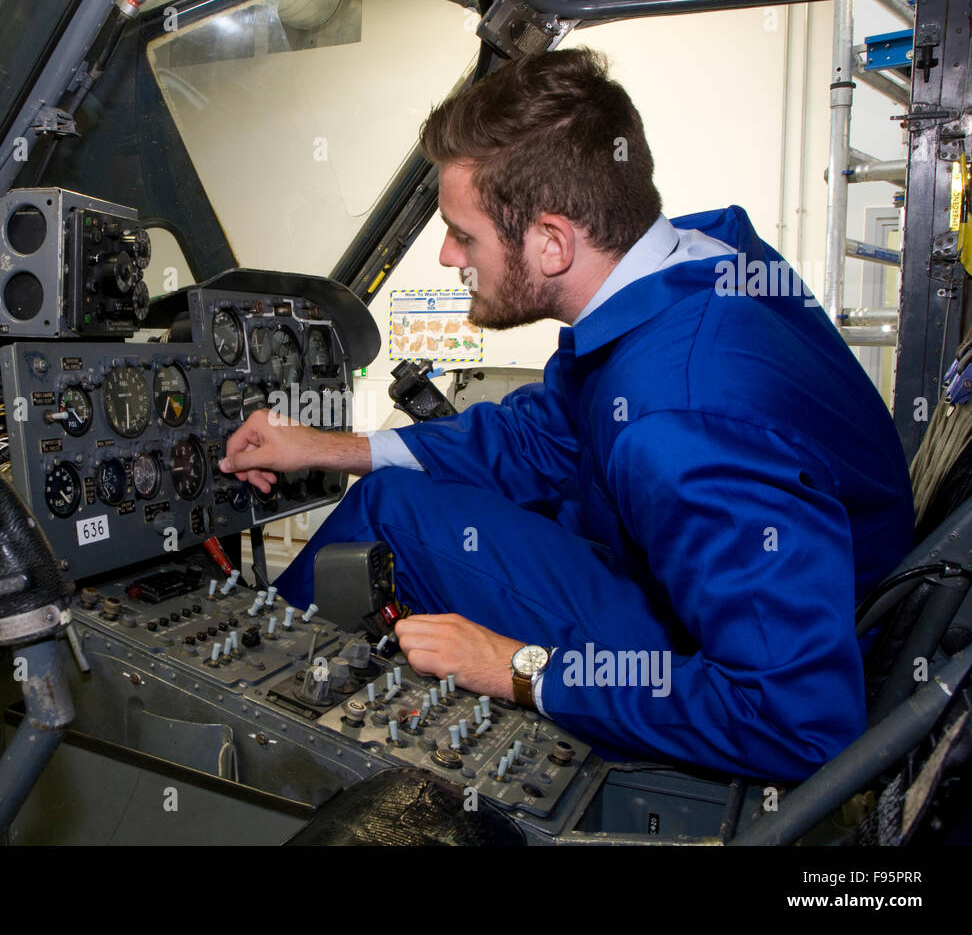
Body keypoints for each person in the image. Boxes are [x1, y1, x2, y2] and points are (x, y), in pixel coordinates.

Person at [218, 47, 914, 782]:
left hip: (779, 654)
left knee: (393, 513)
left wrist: (520, 670)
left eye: (463, 231)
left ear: (551, 242)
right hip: (767, 591)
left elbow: (799, 722)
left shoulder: (674, 424)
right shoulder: (702, 253)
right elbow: (543, 434)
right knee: (392, 493)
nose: (451, 255)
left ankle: (242, 731)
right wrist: (325, 447)